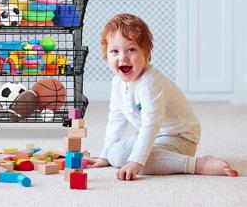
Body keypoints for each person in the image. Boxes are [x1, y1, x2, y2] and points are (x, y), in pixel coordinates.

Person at [87, 13, 238, 181]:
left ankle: (197, 164)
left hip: (180, 136)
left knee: (140, 162)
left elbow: (151, 125)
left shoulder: (150, 82)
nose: (122, 57)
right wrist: (104, 155)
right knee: (115, 154)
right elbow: (116, 120)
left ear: (146, 52)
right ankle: (125, 155)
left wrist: (136, 162)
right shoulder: (117, 83)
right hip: (154, 134)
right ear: (106, 55)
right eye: (114, 51)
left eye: (131, 49)